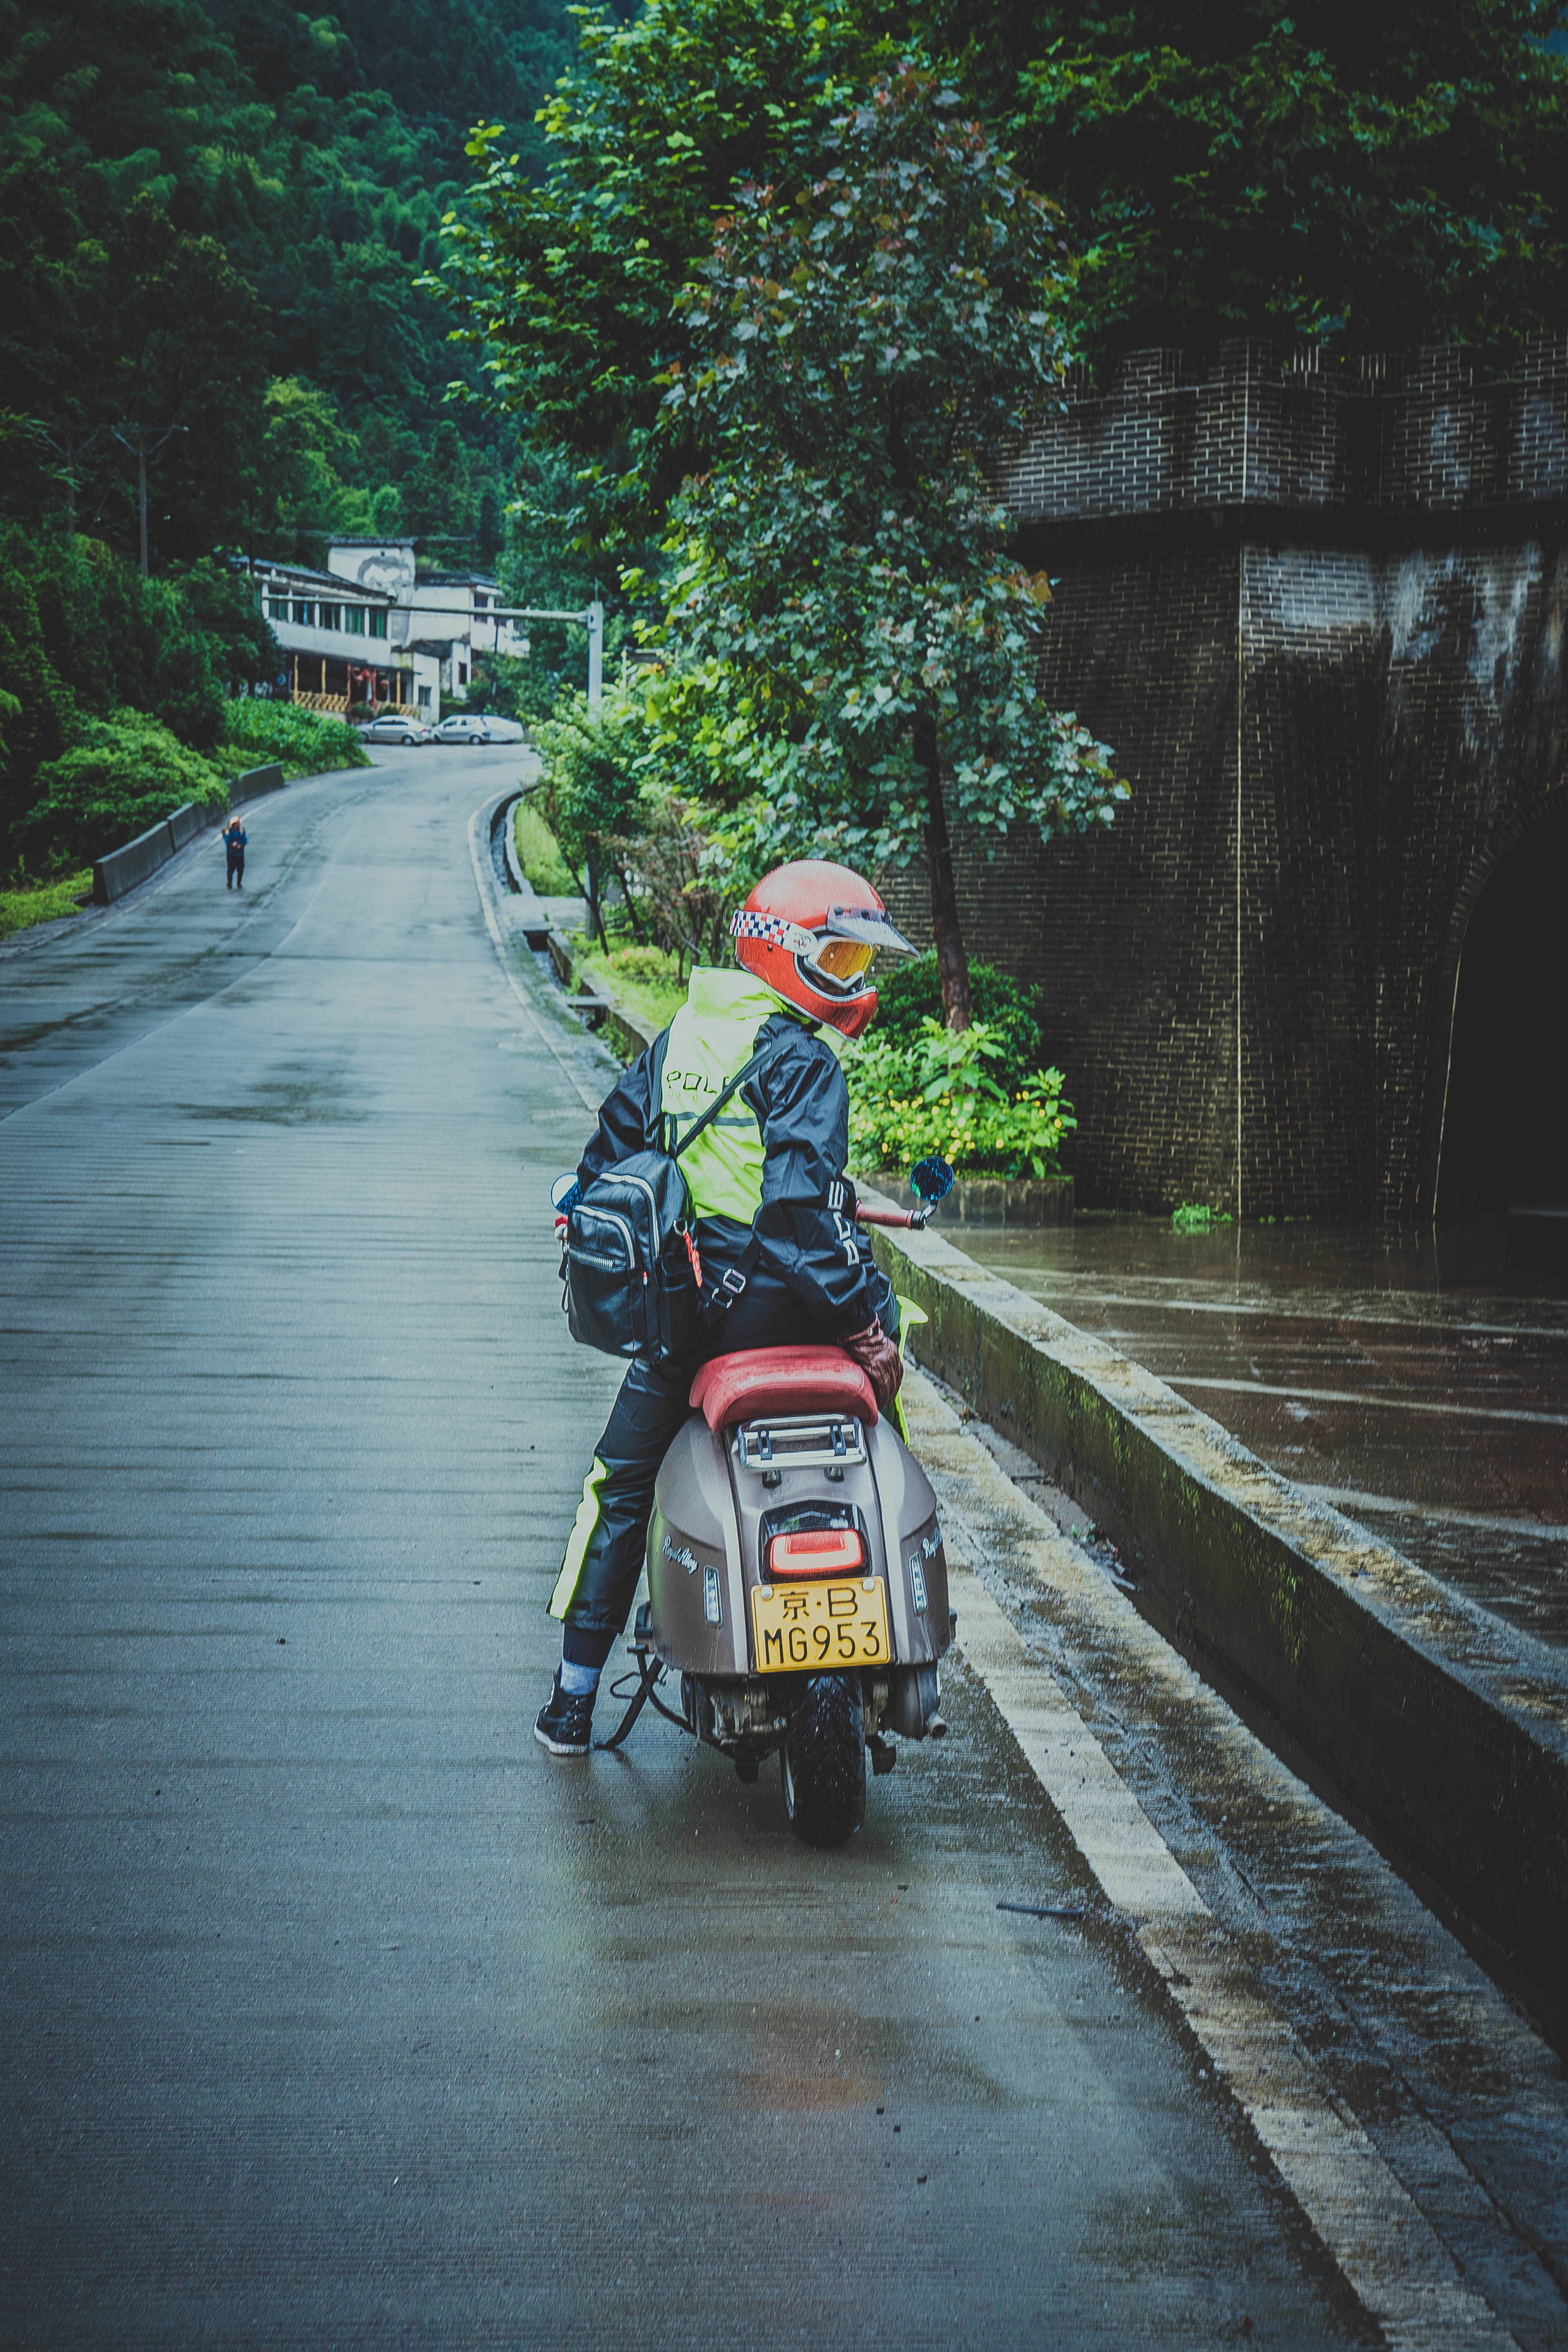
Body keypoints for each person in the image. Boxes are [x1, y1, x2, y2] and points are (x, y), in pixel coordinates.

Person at [535, 859, 915, 1756]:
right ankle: (896, 1630)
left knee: (618, 1486)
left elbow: (610, 1155)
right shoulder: (805, 1062)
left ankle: (572, 1697)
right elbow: (797, 1222)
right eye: (842, 955)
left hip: (687, 1322)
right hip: (789, 1311)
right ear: (785, 953)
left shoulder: (683, 1038)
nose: (853, 976)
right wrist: (864, 1327)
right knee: (888, 1379)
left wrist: (580, 1203)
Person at [223, 816, 247, 890]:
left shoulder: (242, 831)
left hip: (240, 854)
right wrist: (233, 845)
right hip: (231, 854)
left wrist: (240, 845)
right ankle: (230, 882)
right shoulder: (229, 832)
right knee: (231, 869)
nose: (238, 825)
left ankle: (239, 883)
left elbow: (245, 840)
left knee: (241, 869)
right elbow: (227, 841)